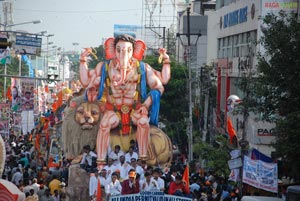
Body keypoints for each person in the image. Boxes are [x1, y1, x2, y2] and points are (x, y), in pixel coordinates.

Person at [79, 34, 171, 168]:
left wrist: (146, 105)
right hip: (114, 110)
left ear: (135, 50)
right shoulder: (105, 67)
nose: (123, 54)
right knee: (104, 126)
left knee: (144, 123)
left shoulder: (142, 68)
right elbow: (86, 81)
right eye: (119, 50)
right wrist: (83, 61)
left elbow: (161, 84)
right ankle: (100, 163)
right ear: (113, 50)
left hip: (135, 110)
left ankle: (142, 160)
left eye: (128, 50)